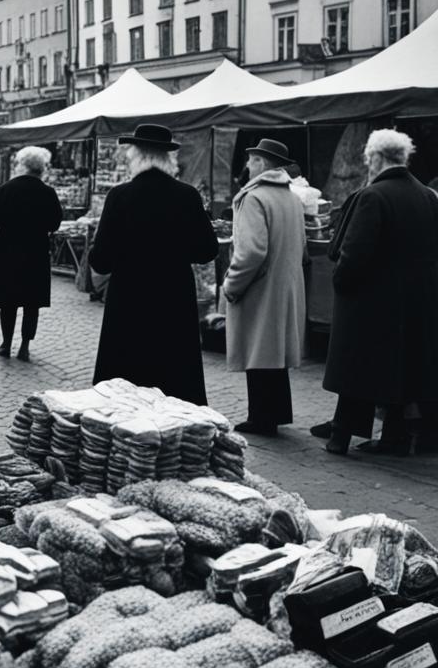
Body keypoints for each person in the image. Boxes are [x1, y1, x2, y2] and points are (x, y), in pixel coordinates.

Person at [323, 129, 438, 456]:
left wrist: (341, 282)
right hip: (417, 303)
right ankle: (394, 437)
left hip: (371, 304)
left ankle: (340, 436)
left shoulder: (372, 196)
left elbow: (354, 253)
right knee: (403, 373)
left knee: (356, 370)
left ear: (376, 158)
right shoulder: (428, 196)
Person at [90, 124, 218, 404]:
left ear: (137, 156)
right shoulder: (187, 196)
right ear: (167, 158)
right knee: (174, 383)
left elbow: (100, 260)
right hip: (173, 299)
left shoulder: (119, 196)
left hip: (128, 300)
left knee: (125, 386)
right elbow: (207, 250)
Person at [221, 139, 306, 436]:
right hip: (286, 284)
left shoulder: (254, 198)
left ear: (263, 164)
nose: (247, 165)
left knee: (259, 352)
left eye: (252, 160)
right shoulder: (292, 198)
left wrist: (231, 285)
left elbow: (251, 252)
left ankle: (262, 417)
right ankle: (277, 412)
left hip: (261, 287)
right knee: (274, 352)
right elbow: (303, 247)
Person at [0, 146, 64, 361]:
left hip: (9, 249)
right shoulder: (48, 192)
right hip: (36, 250)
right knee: (31, 301)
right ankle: (24, 347)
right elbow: (55, 223)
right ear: (41, 168)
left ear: (22, 166)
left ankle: (5, 344)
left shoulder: (7, 189)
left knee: (8, 300)